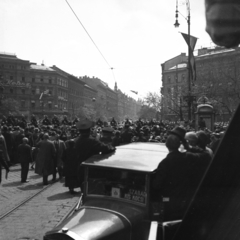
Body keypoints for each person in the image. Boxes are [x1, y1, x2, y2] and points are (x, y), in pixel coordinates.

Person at [152, 127, 210, 221]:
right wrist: (188, 147)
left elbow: (156, 185)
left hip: (170, 203)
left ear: (167, 145)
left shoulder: (164, 163)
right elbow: (207, 156)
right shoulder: (188, 157)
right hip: (187, 201)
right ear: (180, 144)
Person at [75, 118, 116, 188]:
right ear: (89, 131)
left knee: (83, 187)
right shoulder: (92, 141)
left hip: (80, 167)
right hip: (91, 168)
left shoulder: (76, 141)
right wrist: (112, 147)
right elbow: (105, 148)